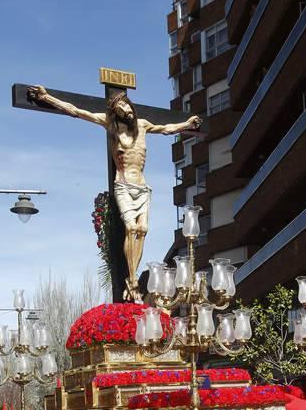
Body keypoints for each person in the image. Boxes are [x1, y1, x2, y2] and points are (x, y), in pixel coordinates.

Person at [28, 84, 201, 301]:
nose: (125, 110)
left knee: (143, 229)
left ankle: (133, 277)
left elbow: (167, 129)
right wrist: (47, 98)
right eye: (119, 108)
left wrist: (187, 123)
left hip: (142, 187)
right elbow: (77, 111)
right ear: (115, 112)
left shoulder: (143, 125)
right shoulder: (111, 126)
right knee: (131, 227)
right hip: (123, 185)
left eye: (126, 105)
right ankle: (133, 280)